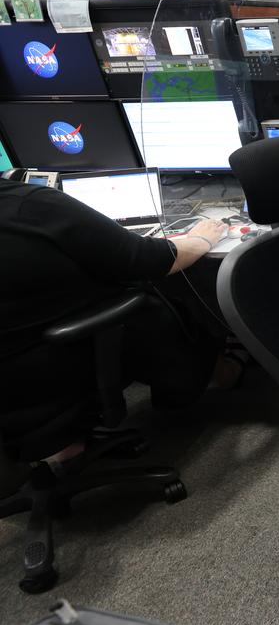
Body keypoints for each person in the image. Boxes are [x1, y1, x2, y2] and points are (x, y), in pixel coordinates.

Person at [0, 173, 230, 481]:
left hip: (13, 380)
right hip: (54, 367)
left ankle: (58, 442)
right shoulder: (27, 205)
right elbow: (149, 260)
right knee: (167, 300)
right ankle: (203, 383)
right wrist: (203, 239)